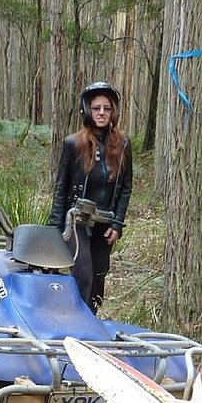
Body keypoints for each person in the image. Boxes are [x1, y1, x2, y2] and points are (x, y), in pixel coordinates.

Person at [49, 80, 133, 311]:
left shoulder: (123, 144)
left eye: (106, 108)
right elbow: (61, 187)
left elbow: (126, 187)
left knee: (98, 279)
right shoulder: (73, 143)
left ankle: (91, 322)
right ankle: (76, 321)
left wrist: (117, 223)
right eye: (96, 108)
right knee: (83, 274)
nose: (102, 113)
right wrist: (56, 228)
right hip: (76, 220)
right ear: (87, 109)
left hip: (105, 222)